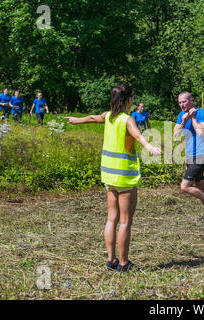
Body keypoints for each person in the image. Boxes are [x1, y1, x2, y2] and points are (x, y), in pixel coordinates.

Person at [64, 84, 161, 272]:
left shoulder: (108, 116)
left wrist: (76, 120)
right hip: (124, 176)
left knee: (111, 219)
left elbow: (92, 118)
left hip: (108, 175)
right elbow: (138, 136)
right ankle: (124, 263)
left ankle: (111, 260)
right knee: (125, 221)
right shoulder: (127, 119)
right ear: (128, 100)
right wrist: (150, 147)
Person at [173, 91, 204, 221]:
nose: (182, 105)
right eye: (180, 103)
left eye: (184, 102)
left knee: (185, 186)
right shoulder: (181, 115)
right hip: (189, 155)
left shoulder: (201, 113)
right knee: (199, 184)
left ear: (191, 100)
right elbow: (175, 135)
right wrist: (183, 121)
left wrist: (192, 117)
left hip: (201, 155)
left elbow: (200, 131)